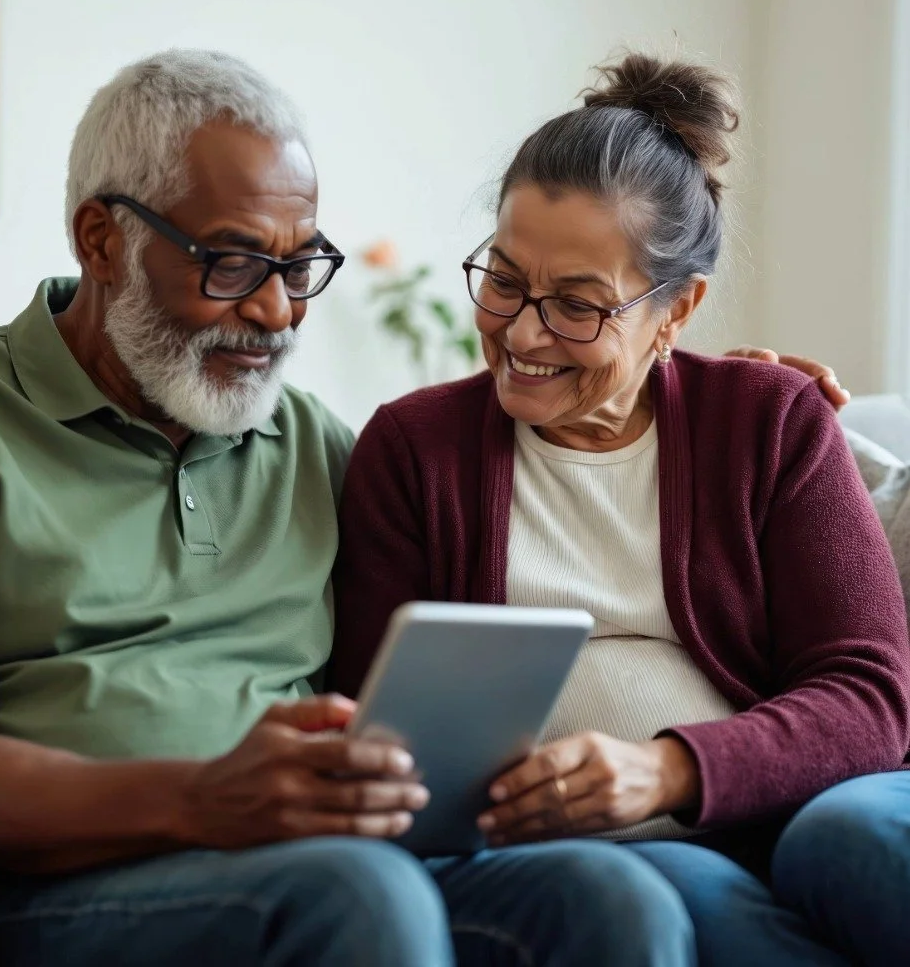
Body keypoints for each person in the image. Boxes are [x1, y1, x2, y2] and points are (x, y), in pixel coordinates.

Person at [0, 50, 698, 967]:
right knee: (357, 893)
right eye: (237, 262)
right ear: (101, 240)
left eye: (301, 266)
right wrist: (200, 798)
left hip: (319, 862)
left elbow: (525, 467)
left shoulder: (313, 446)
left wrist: (689, 392)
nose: (281, 314)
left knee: (607, 896)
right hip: (58, 887)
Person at [331, 52, 910, 966]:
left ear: (676, 313)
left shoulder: (769, 420)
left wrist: (666, 770)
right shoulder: (414, 451)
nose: (523, 333)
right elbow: (377, 726)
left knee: (853, 842)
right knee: (675, 894)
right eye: (506, 281)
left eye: (578, 307)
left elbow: (871, 697)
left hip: (794, 805)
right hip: (604, 859)